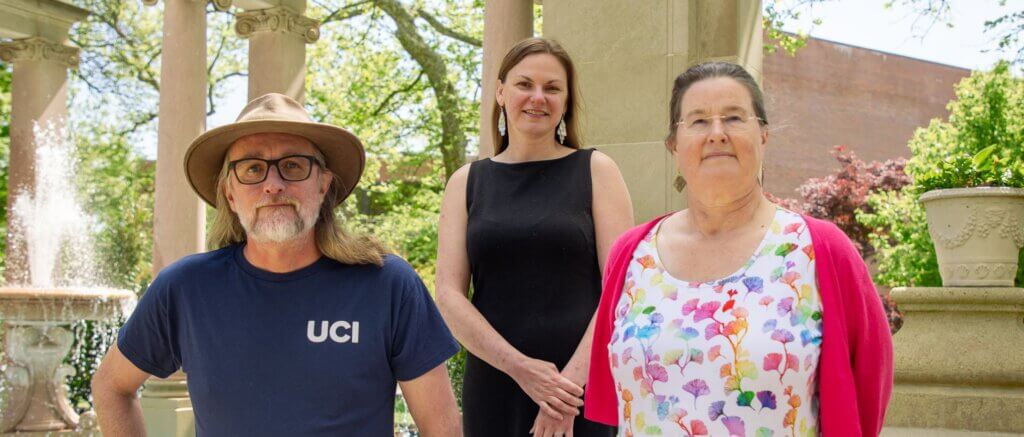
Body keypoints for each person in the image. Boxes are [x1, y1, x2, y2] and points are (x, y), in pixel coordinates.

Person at [91, 93, 462, 436]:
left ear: (323, 185)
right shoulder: (185, 288)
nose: (273, 184)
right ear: (230, 194)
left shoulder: (386, 284)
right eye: (252, 169)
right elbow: (111, 386)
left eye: (292, 165)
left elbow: (440, 426)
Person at [584, 62, 893, 436]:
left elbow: (868, 386)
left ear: (763, 135)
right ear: (673, 144)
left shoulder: (820, 250)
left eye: (733, 118)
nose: (717, 134)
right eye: (698, 121)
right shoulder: (631, 255)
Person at [435, 37, 634, 437]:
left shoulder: (597, 170)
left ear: (565, 101)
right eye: (525, 84)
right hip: (495, 381)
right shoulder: (466, 182)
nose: (537, 97)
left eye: (552, 87)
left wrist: (564, 393)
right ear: (501, 91)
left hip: (579, 386)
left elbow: (622, 289)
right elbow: (449, 294)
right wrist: (520, 368)